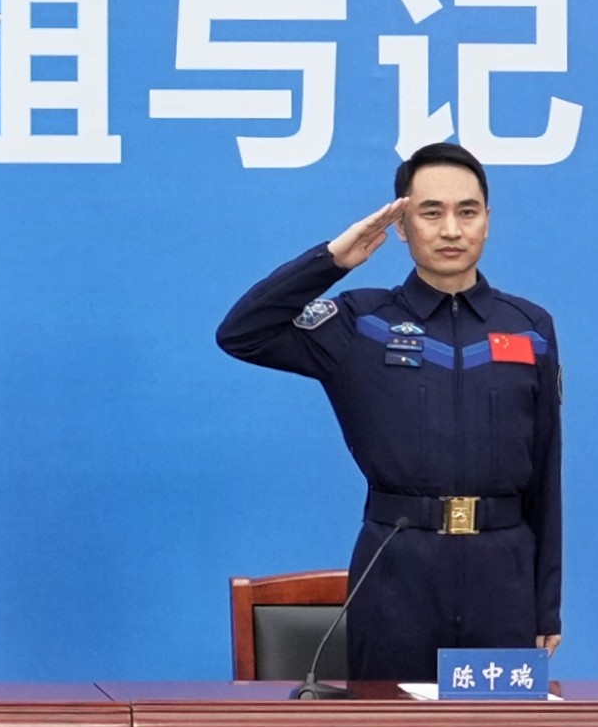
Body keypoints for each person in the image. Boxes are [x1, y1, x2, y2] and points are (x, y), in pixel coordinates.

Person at [217, 143, 561, 681]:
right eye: (430, 212)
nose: (451, 229)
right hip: (396, 573)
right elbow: (241, 333)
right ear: (401, 225)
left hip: (504, 580)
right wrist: (330, 260)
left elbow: (546, 471)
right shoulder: (359, 323)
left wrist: (546, 605)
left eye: (467, 211)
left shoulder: (529, 326)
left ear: (488, 221)